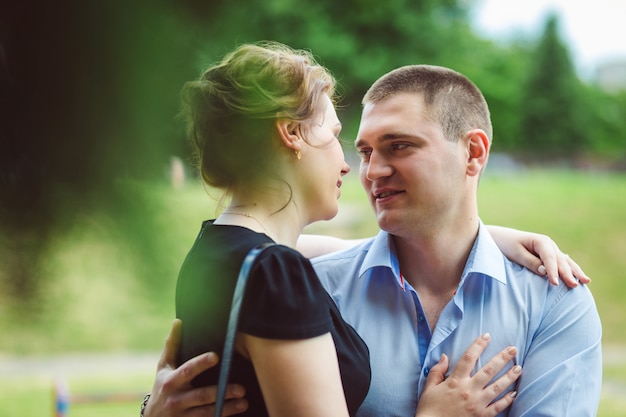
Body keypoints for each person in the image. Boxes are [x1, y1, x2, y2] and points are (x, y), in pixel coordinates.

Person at [143, 45, 594, 417]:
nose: (364, 169)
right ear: (291, 136)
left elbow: (297, 253)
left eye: (399, 146)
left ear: (473, 153)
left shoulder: (554, 299)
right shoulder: (296, 276)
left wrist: (487, 239)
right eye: (352, 145)